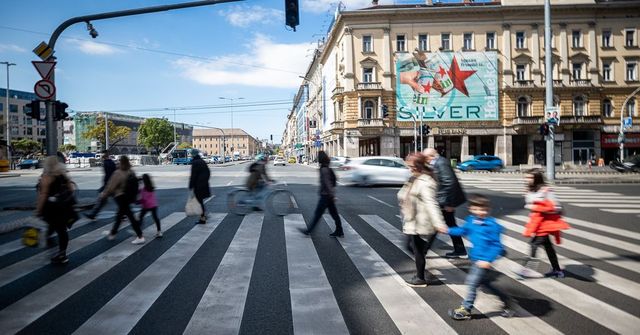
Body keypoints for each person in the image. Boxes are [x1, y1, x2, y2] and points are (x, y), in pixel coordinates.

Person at [439, 194, 514, 320]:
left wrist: (487, 260)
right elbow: (463, 231)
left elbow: (497, 246)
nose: (480, 212)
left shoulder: (492, 225)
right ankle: (507, 301)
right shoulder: (471, 220)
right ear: (471, 209)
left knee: (472, 283)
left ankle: (466, 309)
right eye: (476, 209)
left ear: (488, 209)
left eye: (483, 209)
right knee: (484, 283)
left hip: (484, 260)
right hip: (476, 258)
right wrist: (448, 230)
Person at [397, 153, 446, 287]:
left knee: (417, 250)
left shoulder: (426, 182)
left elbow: (431, 203)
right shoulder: (414, 178)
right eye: (408, 166)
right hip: (412, 220)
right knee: (412, 248)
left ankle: (420, 277)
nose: (409, 169)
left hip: (420, 222)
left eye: (411, 166)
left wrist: (438, 223)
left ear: (419, 166)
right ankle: (421, 270)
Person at [518, 169, 570, 278]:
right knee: (548, 247)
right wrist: (532, 207)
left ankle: (528, 269)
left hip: (545, 223)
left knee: (534, 244)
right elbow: (529, 204)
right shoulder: (529, 190)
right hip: (537, 222)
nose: (527, 180)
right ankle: (557, 270)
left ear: (537, 178)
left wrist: (537, 208)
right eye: (526, 177)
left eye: (530, 178)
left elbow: (557, 207)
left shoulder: (546, 190)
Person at [423, 148, 467, 258]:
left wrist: (449, 203)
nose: (425, 160)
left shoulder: (441, 163)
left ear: (431, 156)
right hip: (444, 200)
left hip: (445, 201)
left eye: (425, 157)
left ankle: (423, 250)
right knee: (449, 223)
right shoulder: (438, 162)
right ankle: (460, 249)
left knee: (436, 224)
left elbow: (450, 182)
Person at [36, 156, 77, 264]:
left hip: (51, 208)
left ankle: (56, 252)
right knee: (61, 230)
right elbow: (72, 189)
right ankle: (62, 253)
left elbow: (43, 195)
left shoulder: (47, 177)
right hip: (64, 208)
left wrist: (38, 210)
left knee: (51, 228)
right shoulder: (63, 175)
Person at [101, 156, 144, 244]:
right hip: (129, 197)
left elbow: (111, 186)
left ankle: (140, 236)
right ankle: (113, 233)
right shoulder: (131, 171)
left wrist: (104, 194)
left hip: (120, 196)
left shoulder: (118, 172)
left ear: (121, 162)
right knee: (120, 215)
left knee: (129, 216)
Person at [300, 150, 343, 237]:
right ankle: (339, 231)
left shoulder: (324, 169)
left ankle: (309, 230)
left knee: (318, 214)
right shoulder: (326, 167)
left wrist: (332, 195)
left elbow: (327, 183)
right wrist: (332, 195)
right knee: (334, 214)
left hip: (326, 196)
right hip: (328, 196)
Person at [85, 150, 116, 221]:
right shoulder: (111, 162)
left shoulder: (106, 163)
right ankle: (93, 215)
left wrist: (104, 186)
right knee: (104, 201)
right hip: (112, 184)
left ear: (104, 156)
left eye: (102, 155)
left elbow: (108, 175)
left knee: (103, 201)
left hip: (109, 185)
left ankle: (93, 215)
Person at [189, 153, 211, 224]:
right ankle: (203, 216)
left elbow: (193, 176)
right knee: (200, 201)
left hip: (198, 186)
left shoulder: (195, 163)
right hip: (204, 185)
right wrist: (205, 181)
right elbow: (208, 172)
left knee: (200, 202)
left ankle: (203, 218)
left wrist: (191, 185)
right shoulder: (202, 161)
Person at [138, 174, 162, 238]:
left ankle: (138, 231)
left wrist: (138, 202)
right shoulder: (151, 186)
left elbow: (144, 199)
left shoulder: (143, 188)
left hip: (147, 205)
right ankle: (159, 232)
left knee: (141, 217)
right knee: (155, 218)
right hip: (154, 205)